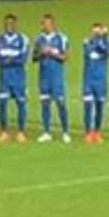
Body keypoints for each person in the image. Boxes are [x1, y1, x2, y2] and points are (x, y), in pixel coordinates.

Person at [33, 14, 71, 143]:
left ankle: (65, 132)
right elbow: (34, 58)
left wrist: (52, 53)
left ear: (53, 24)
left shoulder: (62, 38)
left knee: (60, 103)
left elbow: (65, 58)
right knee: (45, 104)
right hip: (44, 77)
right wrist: (41, 53)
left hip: (57, 77)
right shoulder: (39, 40)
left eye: (48, 23)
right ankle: (46, 132)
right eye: (43, 23)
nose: (46, 26)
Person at [0, 14, 29, 143]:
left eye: (11, 23)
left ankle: (21, 132)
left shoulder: (23, 39)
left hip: (19, 79)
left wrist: (6, 59)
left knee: (21, 104)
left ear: (15, 24)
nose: (9, 26)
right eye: (6, 23)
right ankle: (4, 132)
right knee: (2, 104)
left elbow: (23, 59)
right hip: (4, 79)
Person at [82, 22, 109, 143]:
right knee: (88, 106)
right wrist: (101, 38)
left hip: (101, 81)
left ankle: (97, 132)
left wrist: (104, 37)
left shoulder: (107, 43)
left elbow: (107, 52)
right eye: (94, 31)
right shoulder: (87, 43)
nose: (95, 33)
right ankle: (88, 132)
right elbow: (90, 51)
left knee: (100, 106)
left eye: (98, 31)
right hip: (88, 80)